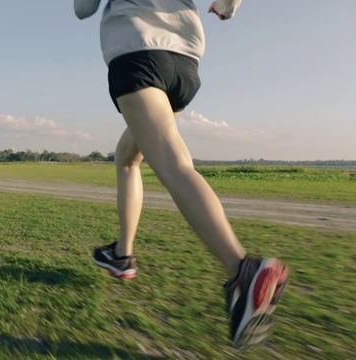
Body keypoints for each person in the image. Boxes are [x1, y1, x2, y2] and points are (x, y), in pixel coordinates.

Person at [73, 0, 289, 351]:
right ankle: (122, 255)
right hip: (185, 64)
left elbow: (83, 9)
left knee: (174, 164)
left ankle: (242, 271)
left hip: (137, 48)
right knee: (127, 158)